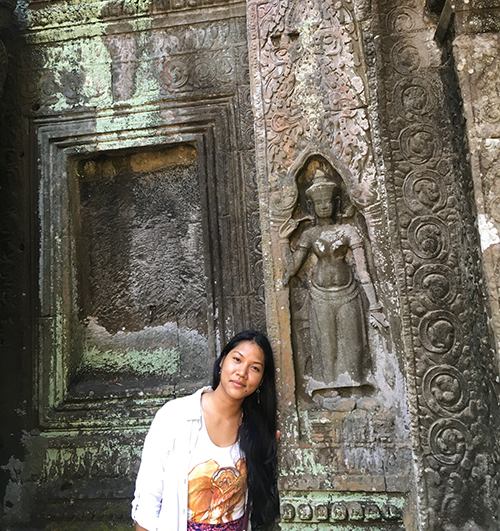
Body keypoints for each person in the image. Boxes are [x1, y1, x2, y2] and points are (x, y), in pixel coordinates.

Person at [131, 330, 279, 531]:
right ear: (221, 362)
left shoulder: (256, 429)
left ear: (261, 380)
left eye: (254, 368)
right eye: (237, 359)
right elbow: (148, 498)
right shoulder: (175, 416)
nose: (242, 372)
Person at [283, 169, 386, 394]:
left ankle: (357, 386)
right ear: (311, 206)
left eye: (327, 202)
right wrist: (283, 239)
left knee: (353, 344)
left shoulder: (348, 231)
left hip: (348, 292)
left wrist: (375, 305)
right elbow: (291, 269)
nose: (323, 207)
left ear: (335, 203)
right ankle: (327, 388)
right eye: (318, 203)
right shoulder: (310, 235)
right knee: (326, 345)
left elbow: (363, 271)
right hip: (320, 295)